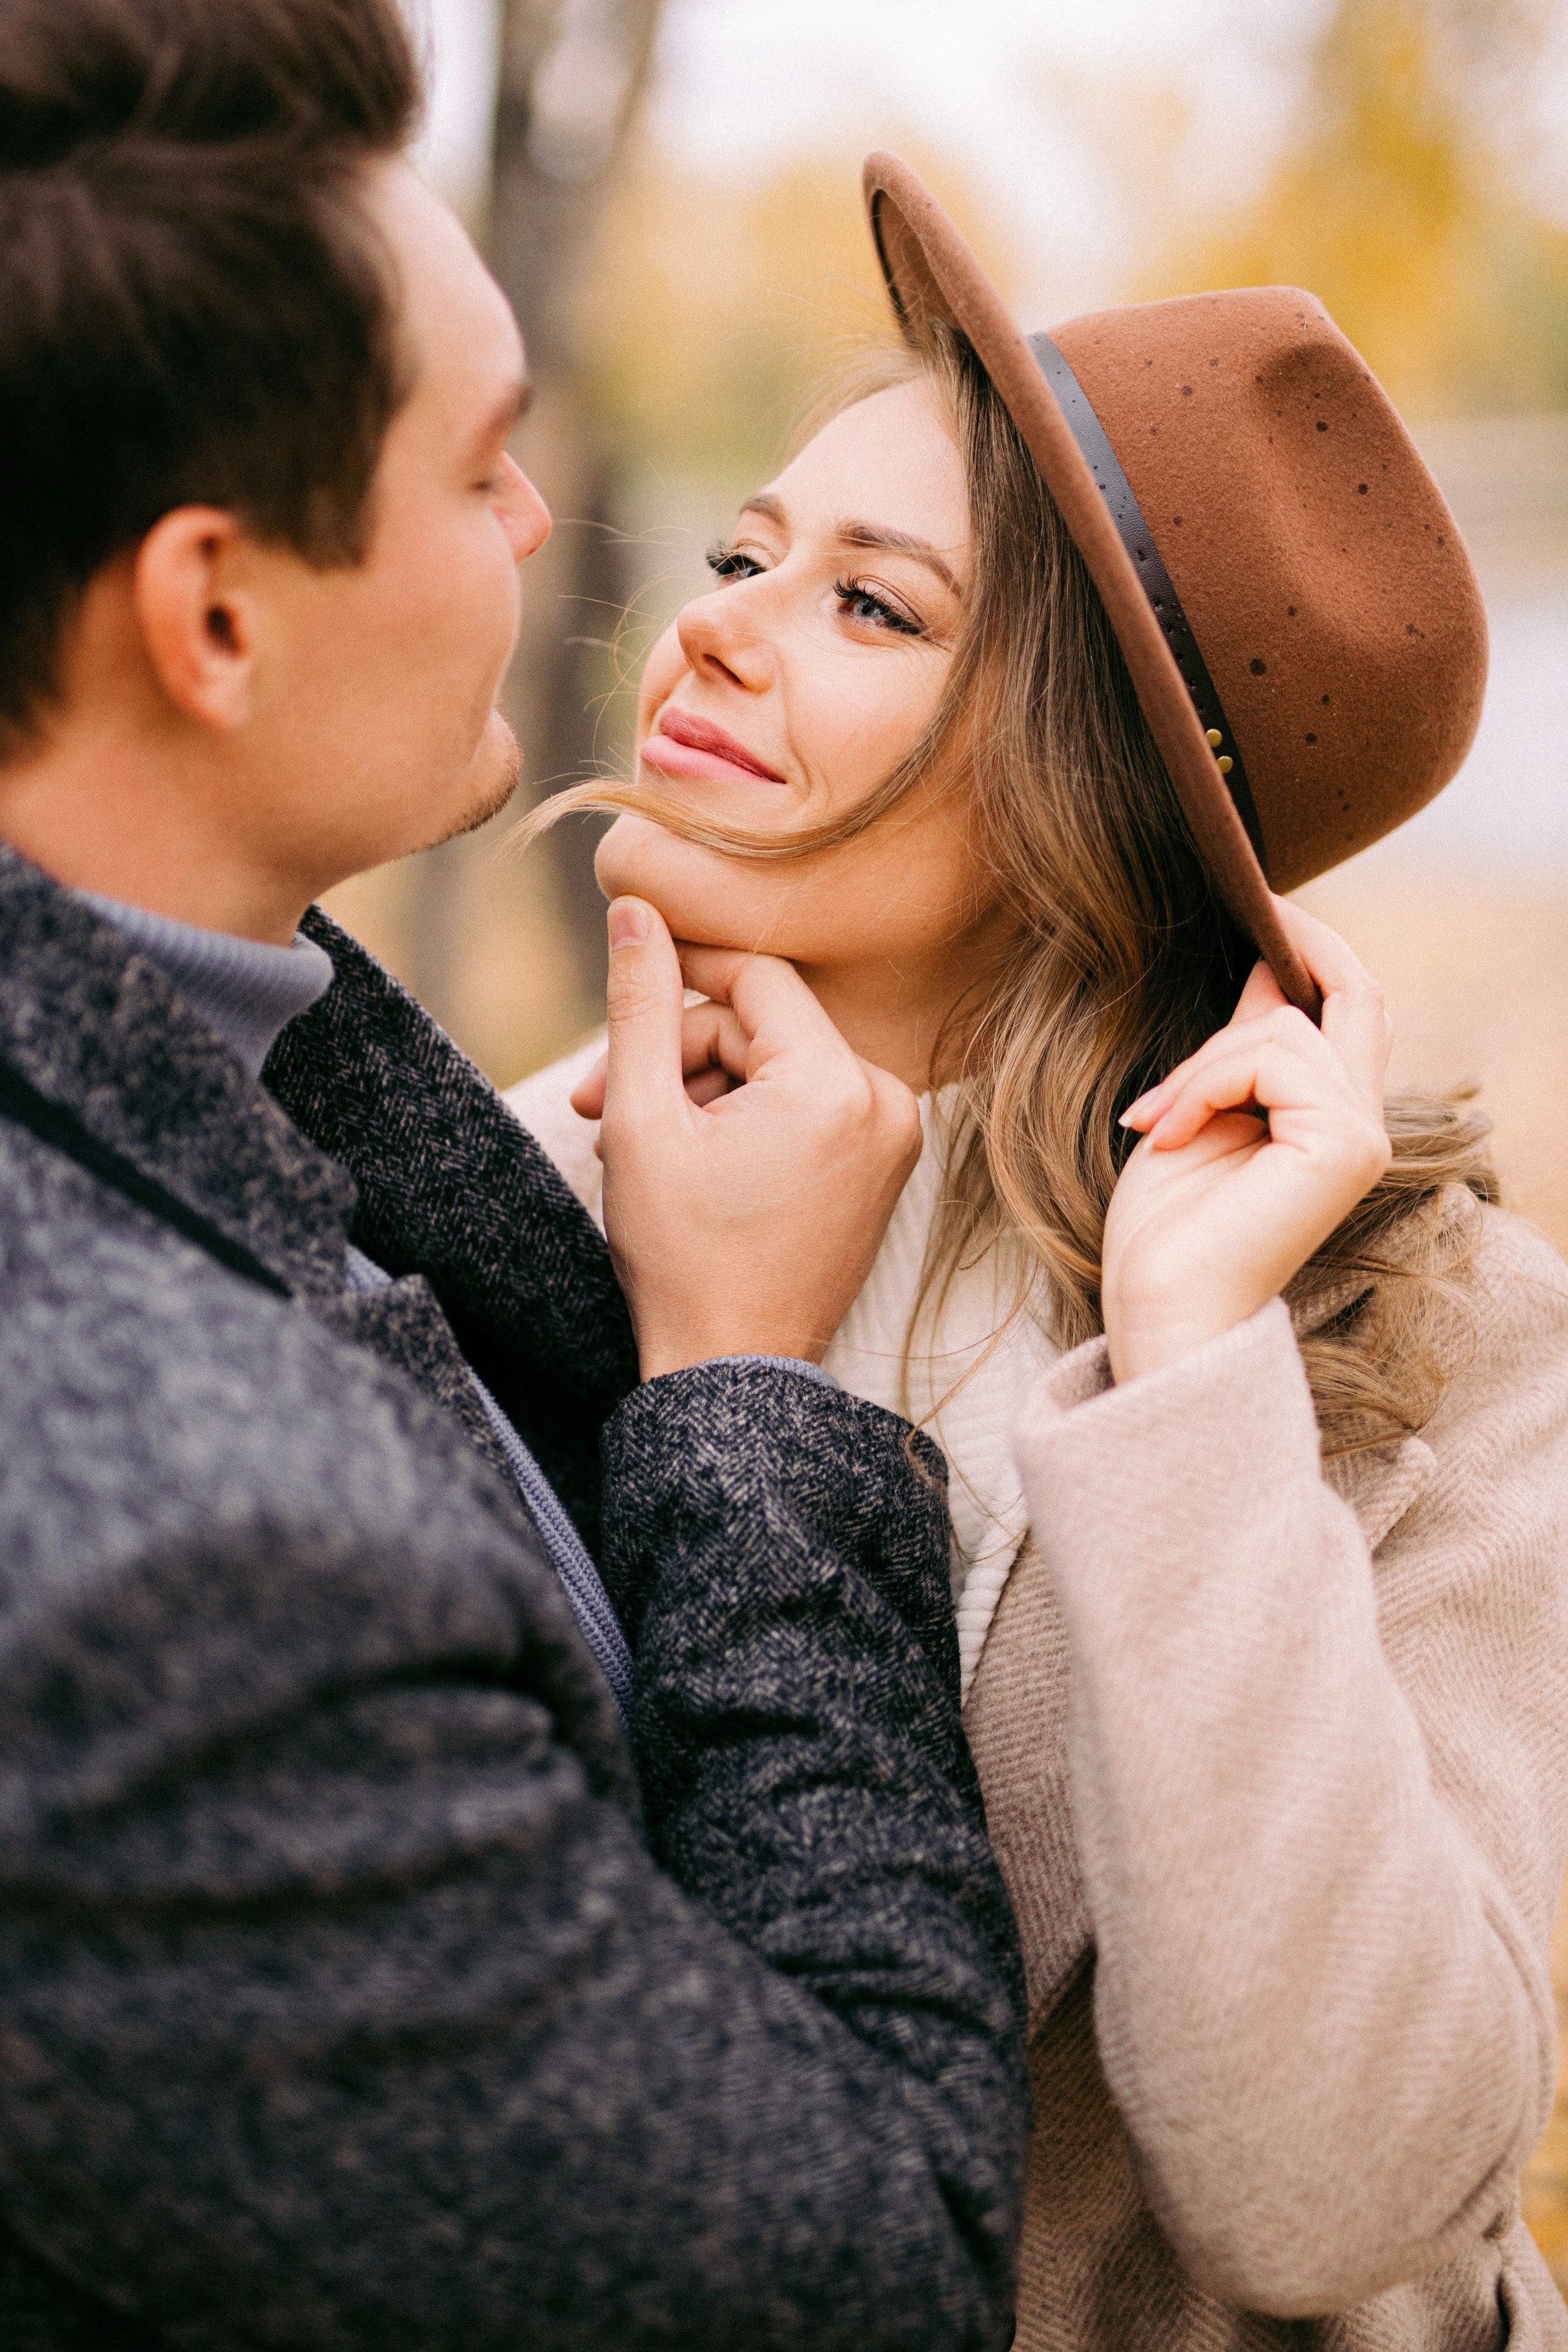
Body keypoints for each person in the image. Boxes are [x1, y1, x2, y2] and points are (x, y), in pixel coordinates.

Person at [0, 22, 1032, 2348]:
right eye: (479, 465)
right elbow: (862, 2281)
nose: (557, 532)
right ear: (214, 613)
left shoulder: (243, 1080)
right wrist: (746, 1400)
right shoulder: (169, 1581)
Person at [511, 154, 1568, 2351]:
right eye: (745, 552)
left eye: (871, 608)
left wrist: (1191, 1378)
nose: (707, 622)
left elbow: (1346, 2202)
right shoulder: (492, 1193)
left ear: (1091, 808)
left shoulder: (1452, 1346)